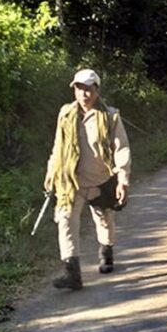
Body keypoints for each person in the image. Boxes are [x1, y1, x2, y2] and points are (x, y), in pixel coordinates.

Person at [44, 69, 131, 290]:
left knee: (104, 219)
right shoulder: (65, 114)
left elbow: (121, 148)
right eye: (80, 88)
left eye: (89, 89)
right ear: (74, 90)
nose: (84, 94)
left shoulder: (110, 116)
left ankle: (106, 250)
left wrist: (122, 179)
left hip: (101, 179)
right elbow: (58, 147)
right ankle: (72, 273)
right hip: (71, 180)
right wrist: (51, 172)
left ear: (97, 90)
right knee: (65, 220)